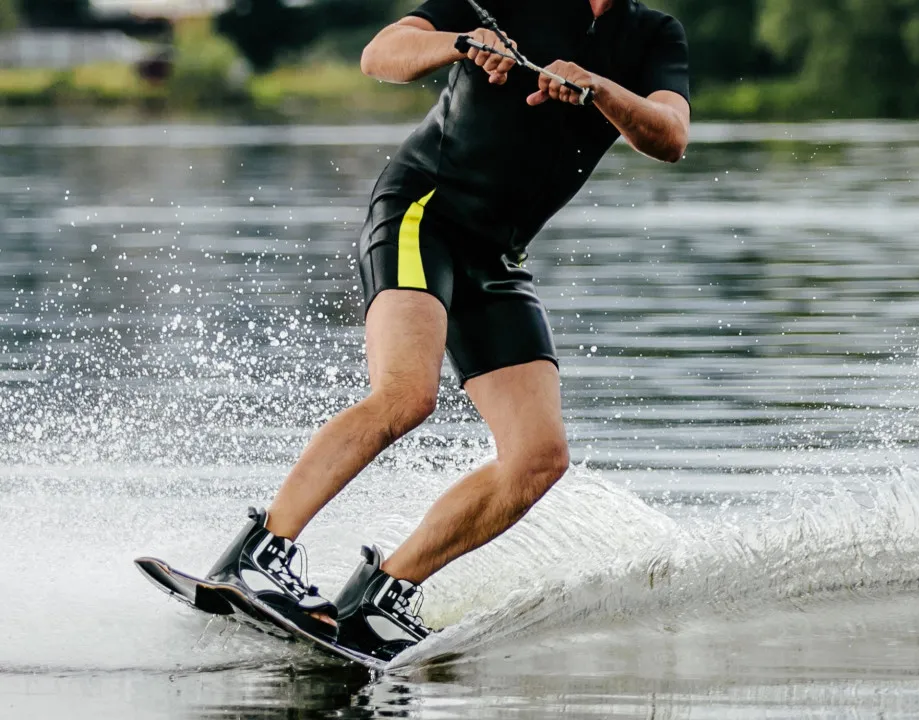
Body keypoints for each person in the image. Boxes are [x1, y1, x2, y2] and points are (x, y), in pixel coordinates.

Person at [204, 0, 690, 661]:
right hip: (423, 211)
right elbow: (383, 53)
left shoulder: (652, 34)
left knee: (537, 458)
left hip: (497, 253)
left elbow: (670, 135)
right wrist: (460, 44)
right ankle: (261, 554)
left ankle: (381, 598)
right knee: (407, 395)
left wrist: (598, 88)